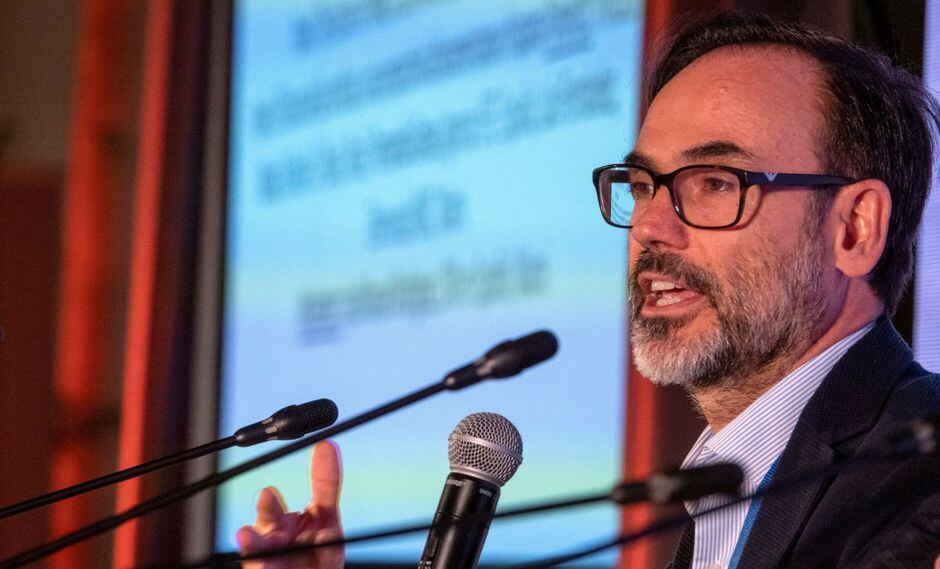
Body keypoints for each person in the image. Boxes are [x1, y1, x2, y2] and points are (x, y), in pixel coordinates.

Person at [238, 12, 940, 568]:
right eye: (643, 184)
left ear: (854, 227)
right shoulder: (736, 475)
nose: (651, 226)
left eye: (715, 182)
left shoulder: (920, 475)